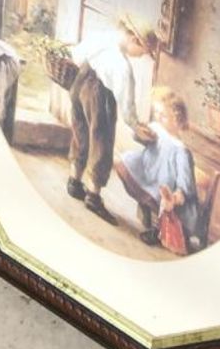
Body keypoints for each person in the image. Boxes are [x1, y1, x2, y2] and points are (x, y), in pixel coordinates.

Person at [65, 13, 157, 224]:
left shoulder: (100, 37)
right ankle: (94, 196)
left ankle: (74, 181)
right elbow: (127, 102)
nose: (141, 56)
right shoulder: (122, 66)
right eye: (143, 52)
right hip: (99, 95)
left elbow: (77, 54)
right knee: (102, 141)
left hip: (79, 83)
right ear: (134, 40)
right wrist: (134, 124)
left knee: (80, 133)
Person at [115, 88, 198, 252]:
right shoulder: (157, 130)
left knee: (163, 200)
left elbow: (185, 187)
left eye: (164, 115)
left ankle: (159, 229)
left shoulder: (181, 150)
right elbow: (140, 138)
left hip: (167, 192)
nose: (158, 118)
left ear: (177, 120)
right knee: (123, 163)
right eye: (157, 113)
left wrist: (174, 198)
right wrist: (141, 134)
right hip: (148, 175)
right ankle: (147, 209)